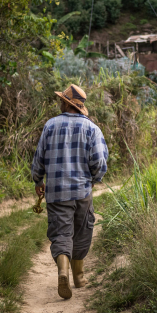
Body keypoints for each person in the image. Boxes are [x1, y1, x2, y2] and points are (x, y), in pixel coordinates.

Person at [31, 84, 108, 299]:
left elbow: (39, 157)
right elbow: (100, 161)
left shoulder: (50, 125)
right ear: (78, 106)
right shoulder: (92, 128)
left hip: (56, 191)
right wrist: (95, 179)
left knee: (61, 232)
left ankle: (62, 271)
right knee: (83, 230)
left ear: (65, 103)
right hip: (82, 190)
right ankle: (79, 277)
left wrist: (38, 179)